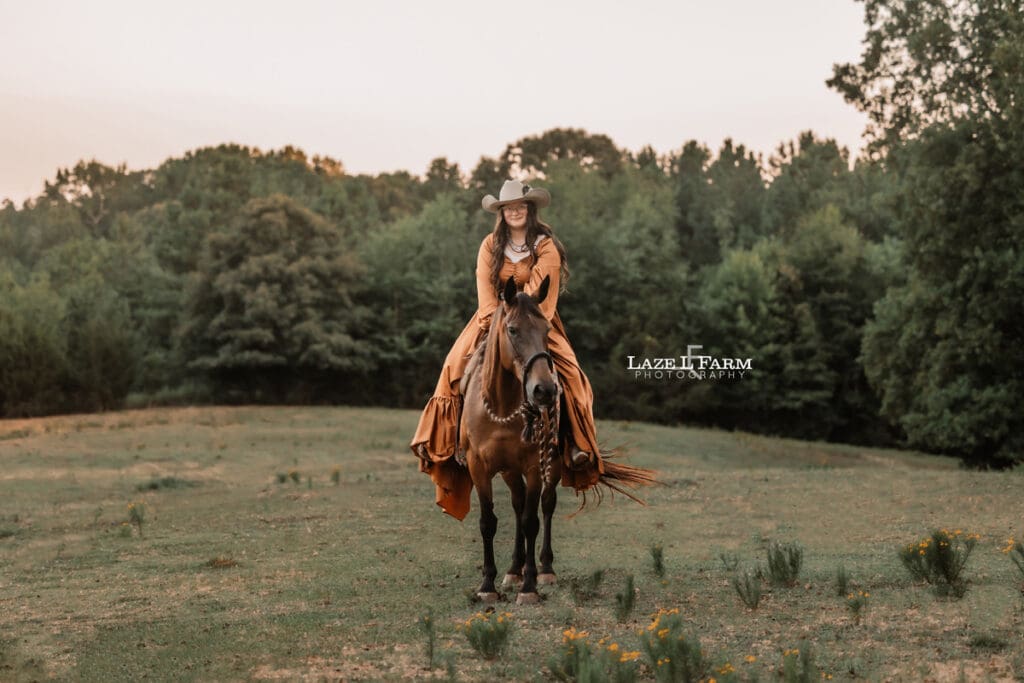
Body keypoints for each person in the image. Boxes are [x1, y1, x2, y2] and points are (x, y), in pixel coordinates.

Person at [410, 179, 609, 519]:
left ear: (530, 210)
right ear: (501, 213)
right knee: (453, 369)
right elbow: (485, 290)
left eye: (521, 205)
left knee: (572, 375)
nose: (515, 211)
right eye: (509, 207)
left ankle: (575, 444)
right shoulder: (490, 245)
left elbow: (542, 294)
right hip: (492, 320)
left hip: (534, 319)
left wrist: (521, 321)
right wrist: (495, 322)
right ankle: (456, 443)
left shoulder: (546, 246)